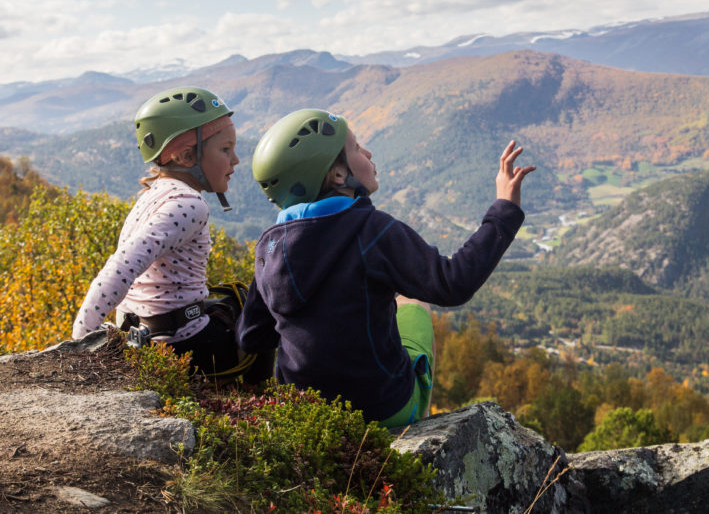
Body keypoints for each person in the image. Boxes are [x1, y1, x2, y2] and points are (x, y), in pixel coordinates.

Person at [237, 108, 535, 427]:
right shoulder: (372, 230)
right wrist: (504, 208)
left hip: (306, 414)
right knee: (416, 304)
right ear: (338, 175)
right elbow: (452, 283)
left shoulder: (269, 248)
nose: (367, 152)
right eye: (355, 148)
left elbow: (251, 336)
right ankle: (412, 426)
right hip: (381, 409)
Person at [72, 86, 253, 378]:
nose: (235, 160)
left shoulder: (152, 195)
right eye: (225, 149)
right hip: (183, 345)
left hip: (141, 335)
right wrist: (80, 341)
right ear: (185, 156)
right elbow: (120, 268)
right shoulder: (190, 204)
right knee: (256, 319)